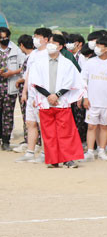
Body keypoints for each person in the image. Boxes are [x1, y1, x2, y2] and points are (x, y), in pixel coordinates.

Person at [29, 34, 83, 167]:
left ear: (60, 46)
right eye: (49, 42)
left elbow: (71, 82)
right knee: (49, 133)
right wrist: (49, 96)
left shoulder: (67, 63)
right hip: (45, 101)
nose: (50, 45)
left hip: (61, 101)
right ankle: (53, 159)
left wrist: (57, 95)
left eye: (53, 43)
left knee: (65, 131)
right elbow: (35, 82)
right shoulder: (39, 62)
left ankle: (68, 159)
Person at [80, 37, 107, 161]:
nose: (97, 48)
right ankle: (90, 151)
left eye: (100, 46)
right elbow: (83, 81)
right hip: (92, 101)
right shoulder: (90, 62)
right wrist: (85, 97)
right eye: (97, 45)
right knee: (91, 126)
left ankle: (102, 150)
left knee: (104, 126)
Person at [0, 27, 26, 151]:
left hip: (10, 86)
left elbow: (24, 67)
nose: (3, 40)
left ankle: (6, 140)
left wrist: (12, 72)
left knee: (8, 114)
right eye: (1, 38)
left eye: (6, 37)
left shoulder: (16, 50)